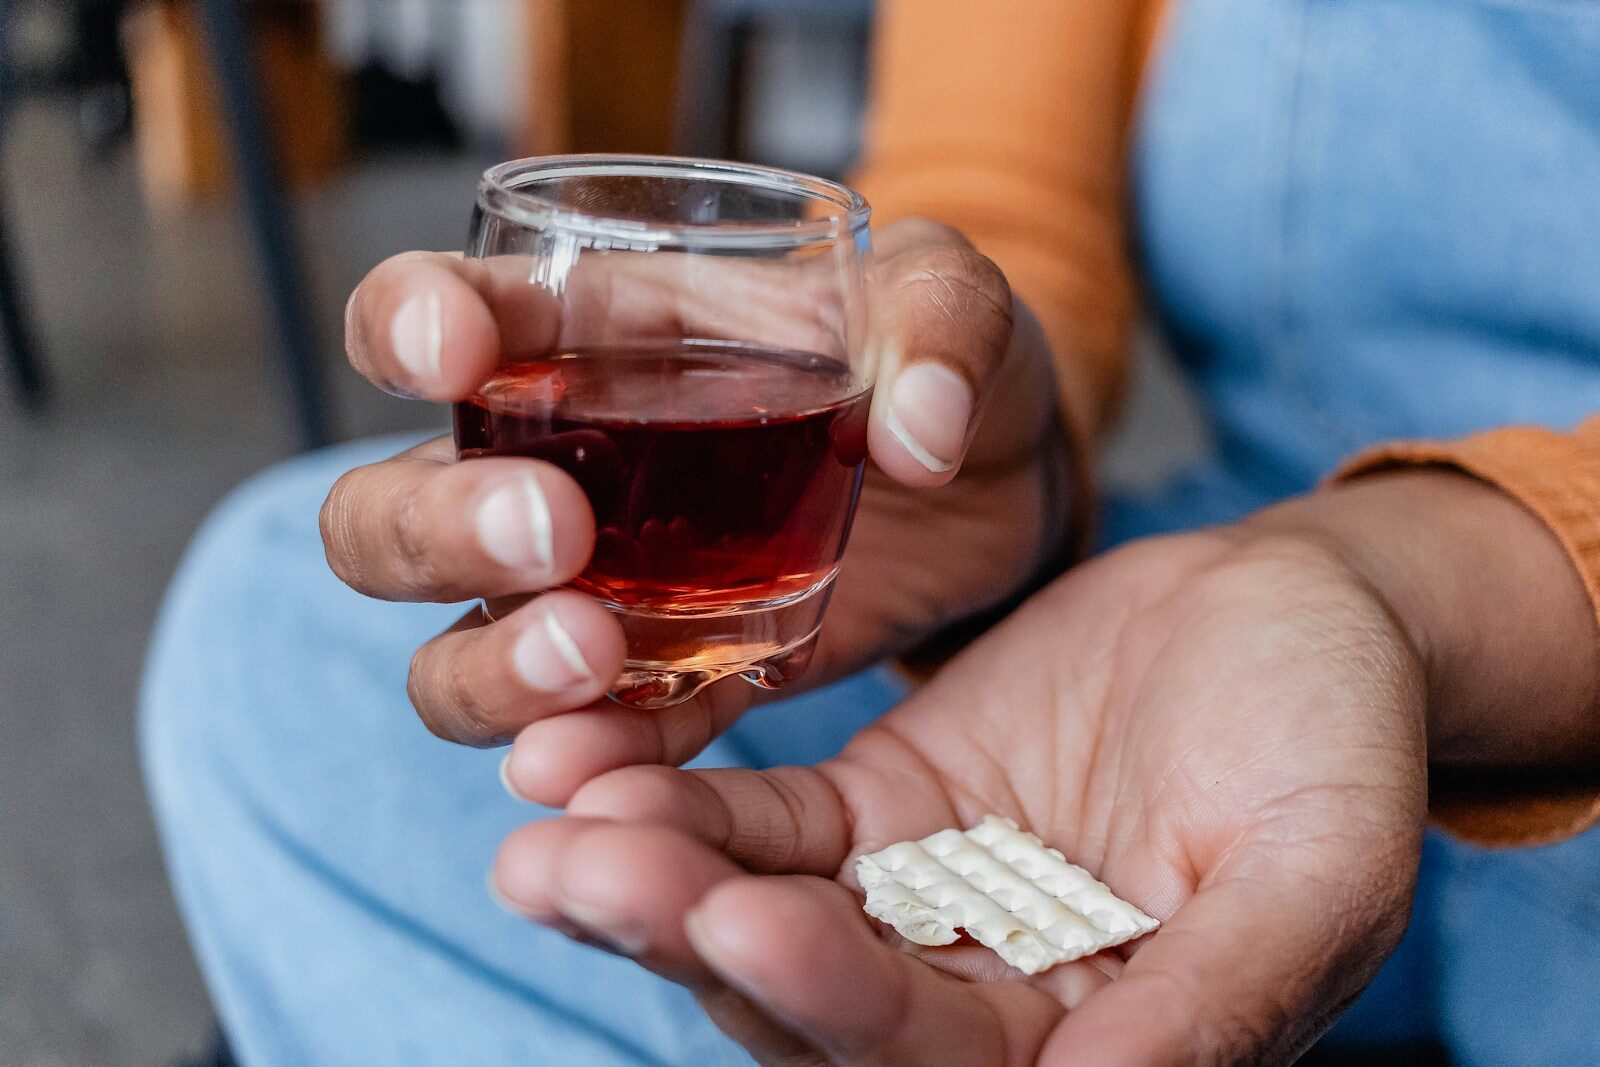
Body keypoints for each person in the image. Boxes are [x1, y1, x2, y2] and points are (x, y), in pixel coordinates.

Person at [141, 0, 1600, 1063]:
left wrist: (1410, 578)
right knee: (283, 621)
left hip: (1470, 608)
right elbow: (994, 202)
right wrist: (978, 442)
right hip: (1236, 570)